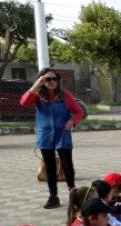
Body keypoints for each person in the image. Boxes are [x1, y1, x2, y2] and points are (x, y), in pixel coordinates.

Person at [20, 68, 84, 209]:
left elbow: (79, 111)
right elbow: (23, 102)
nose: (52, 81)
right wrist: (35, 85)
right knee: (49, 167)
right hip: (45, 135)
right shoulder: (37, 95)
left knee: (67, 166)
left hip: (63, 134)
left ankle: (73, 195)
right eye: (48, 79)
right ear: (41, 80)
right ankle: (53, 197)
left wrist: (72, 121)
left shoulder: (65, 95)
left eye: (55, 79)